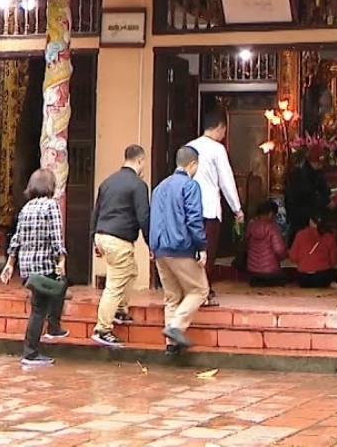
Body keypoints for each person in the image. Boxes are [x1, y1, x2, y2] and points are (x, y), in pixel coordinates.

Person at [0, 168, 68, 366]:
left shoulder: (26, 208)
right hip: (45, 265)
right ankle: (31, 352)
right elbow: (56, 237)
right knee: (40, 308)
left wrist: (10, 264)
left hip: (28, 268)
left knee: (40, 305)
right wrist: (61, 260)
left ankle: (52, 329)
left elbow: (17, 239)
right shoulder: (51, 206)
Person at [89, 145, 150, 348]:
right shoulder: (138, 185)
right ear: (140, 160)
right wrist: (152, 244)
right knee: (114, 286)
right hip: (119, 239)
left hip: (102, 235)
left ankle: (120, 310)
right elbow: (144, 216)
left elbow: (96, 212)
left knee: (131, 271)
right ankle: (102, 329)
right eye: (145, 162)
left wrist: (93, 238)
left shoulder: (108, 182)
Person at [150, 145, 208, 356]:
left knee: (172, 296)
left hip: (160, 249)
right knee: (199, 290)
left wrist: (152, 246)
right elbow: (194, 220)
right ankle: (175, 328)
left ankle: (171, 345)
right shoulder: (190, 186)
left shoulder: (159, 187)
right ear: (192, 164)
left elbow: (153, 219)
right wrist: (201, 247)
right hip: (180, 248)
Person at [186, 111, 243, 307]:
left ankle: (191, 289)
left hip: (188, 208)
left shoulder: (189, 147)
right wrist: (237, 209)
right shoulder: (217, 149)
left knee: (191, 250)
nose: (223, 135)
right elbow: (226, 181)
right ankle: (203, 291)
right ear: (219, 128)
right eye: (224, 131)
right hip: (209, 208)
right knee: (207, 251)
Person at [284, 146, 330, 246]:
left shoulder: (309, 173)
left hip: (303, 213)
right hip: (304, 213)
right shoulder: (303, 176)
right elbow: (306, 194)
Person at [289, 211, 337, 289]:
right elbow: (333, 261)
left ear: (310, 221)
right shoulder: (329, 236)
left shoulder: (300, 234)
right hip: (322, 275)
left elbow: (293, 257)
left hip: (304, 277)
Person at [245, 200, 288, 287]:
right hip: (271, 273)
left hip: (253, 273)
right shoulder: (272, 228)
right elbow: (279, 250)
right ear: (271, 214)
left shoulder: (251, 226)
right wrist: (287, 255)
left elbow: (246, 244)